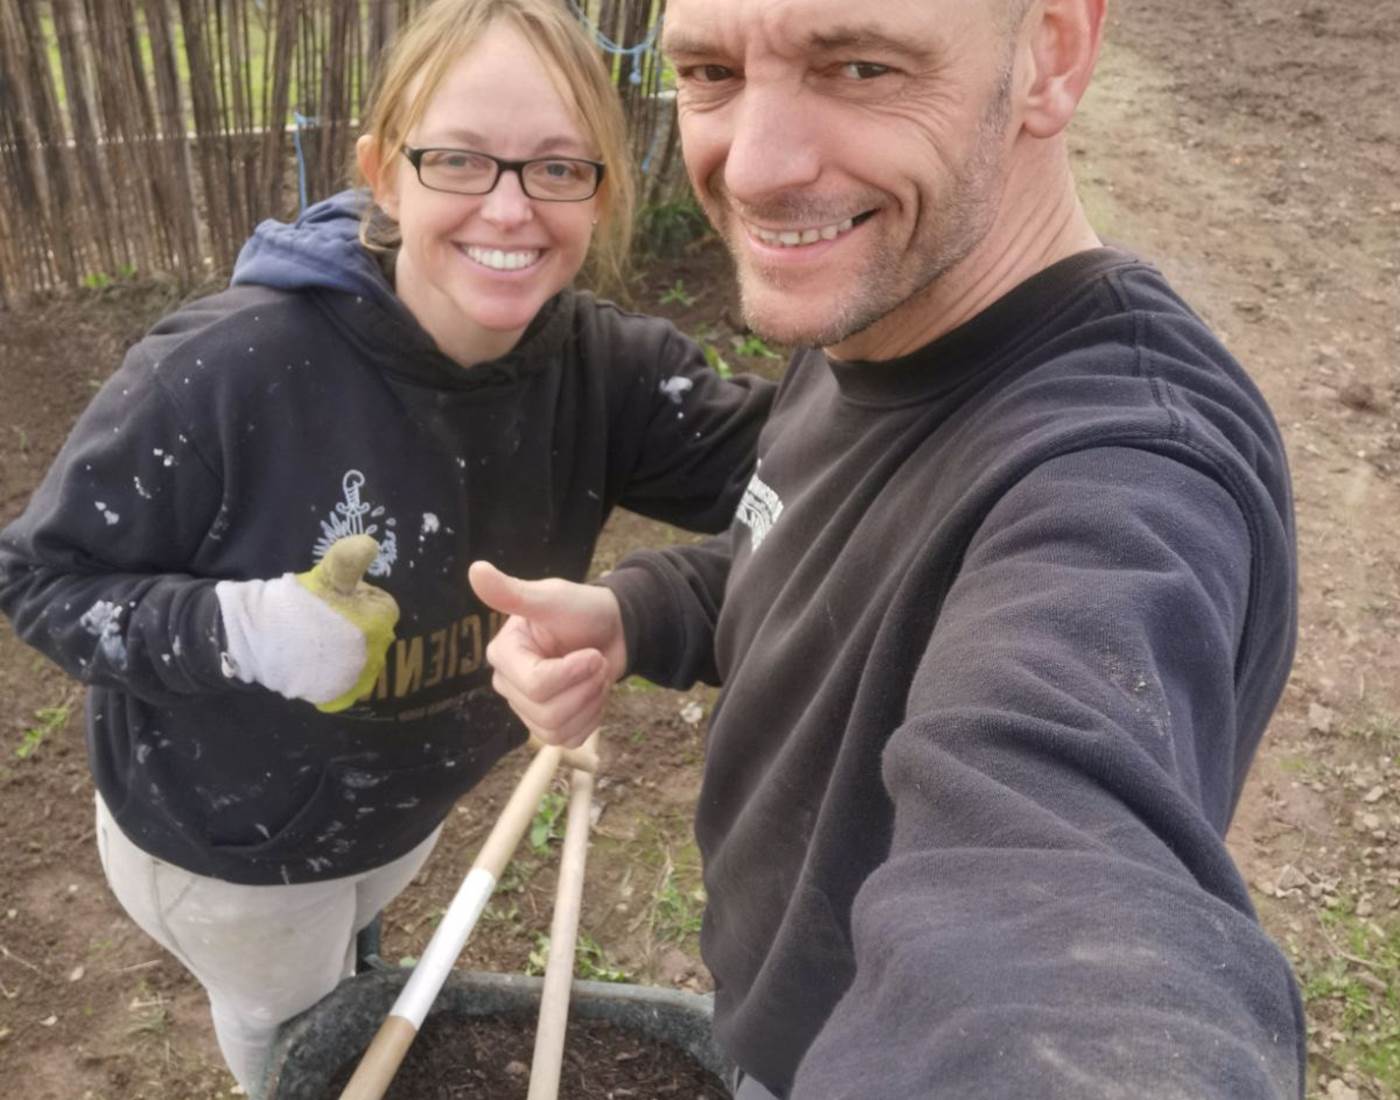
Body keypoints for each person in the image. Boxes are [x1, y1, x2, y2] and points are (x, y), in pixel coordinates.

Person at [469, 0, 1306, 1096]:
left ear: (1051, 51)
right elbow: (803, 545)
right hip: (765, 1012)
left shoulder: (1122, 470)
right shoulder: (878, 298)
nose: (755, 166)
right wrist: (639, 611)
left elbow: (1056, 919)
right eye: (711, 71)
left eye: (860, 67)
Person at [0, 0, 772, 1094]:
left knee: (357, 971)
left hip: (394, 810)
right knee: (298, 1037)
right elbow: (42, 578)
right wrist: (244, 630)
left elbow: (827, 479)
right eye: (459, 158)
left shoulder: (607, 372)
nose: (510, 207)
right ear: (384, 170)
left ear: (601, 190)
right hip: (234, 849)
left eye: (558, 168)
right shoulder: (232, 371)